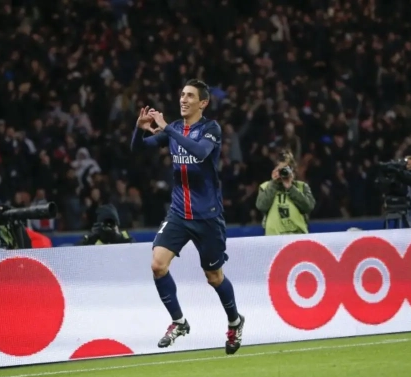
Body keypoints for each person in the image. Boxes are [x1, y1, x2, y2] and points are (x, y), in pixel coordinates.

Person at [131, 79, 245, 355]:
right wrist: (138, 129)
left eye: (190, 96)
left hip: (207, 217)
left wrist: (167, 129)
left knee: (214, 277)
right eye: (182, 94)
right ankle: (179, 322)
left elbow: (201, 152)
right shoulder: (173, 129)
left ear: (203, 103)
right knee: (158, 265)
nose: (183, 99)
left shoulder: (210, 129)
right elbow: (138, 150)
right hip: (179, 213)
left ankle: (235, 321)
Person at [256, 150, 315, 235]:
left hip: (297, 237)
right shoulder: (265, 187)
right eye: (280, 170)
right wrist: (274, 183)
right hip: (273, 238)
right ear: (274, 170)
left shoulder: (302, 186)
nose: (283, 172)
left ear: (292, 170)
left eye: (286, 169)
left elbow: (309, 207)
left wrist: (290, 188)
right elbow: (261, 206)